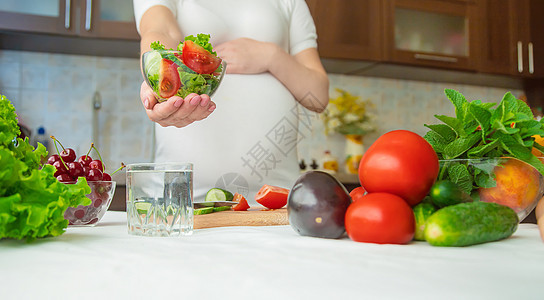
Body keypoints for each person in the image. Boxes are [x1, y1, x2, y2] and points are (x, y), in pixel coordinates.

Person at [133, 0, 329, 203]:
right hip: (183, 199)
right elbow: (160, 31)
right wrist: (158, 76)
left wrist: (272, 56)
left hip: (276, 197)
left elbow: (318, 96)